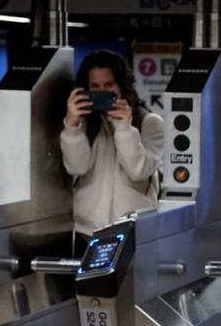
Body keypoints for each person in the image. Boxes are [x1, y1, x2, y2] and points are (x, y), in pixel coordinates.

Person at [61, 49, 164, 250]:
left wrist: (124, 127)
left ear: (122, 86)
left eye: (109, 85)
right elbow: (77, 168)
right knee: (88, 283)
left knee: (133, 283)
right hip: (87, 232)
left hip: (134, 231)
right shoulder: (84, 123)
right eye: (95, 86)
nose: (102, 92)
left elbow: (138, 170)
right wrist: (72, 126)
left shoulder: (149, 123)